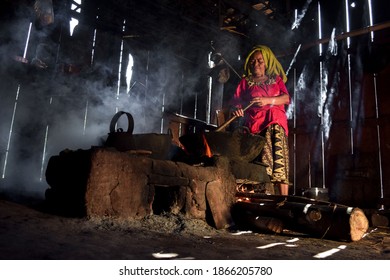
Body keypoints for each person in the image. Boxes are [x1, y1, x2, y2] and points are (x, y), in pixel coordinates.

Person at [232, 45, 291, 195]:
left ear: (267, 63)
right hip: (254, 126)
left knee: (279, 163)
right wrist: (237, 110)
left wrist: (267, 101)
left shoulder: (275, 79)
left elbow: (286, 98)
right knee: (258, 164)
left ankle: (283, 200)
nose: (256, 64)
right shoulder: (245, 82)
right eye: (252, 61)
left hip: (274, 123)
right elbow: (236, 103)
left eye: (260, 61)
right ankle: (259, 197)